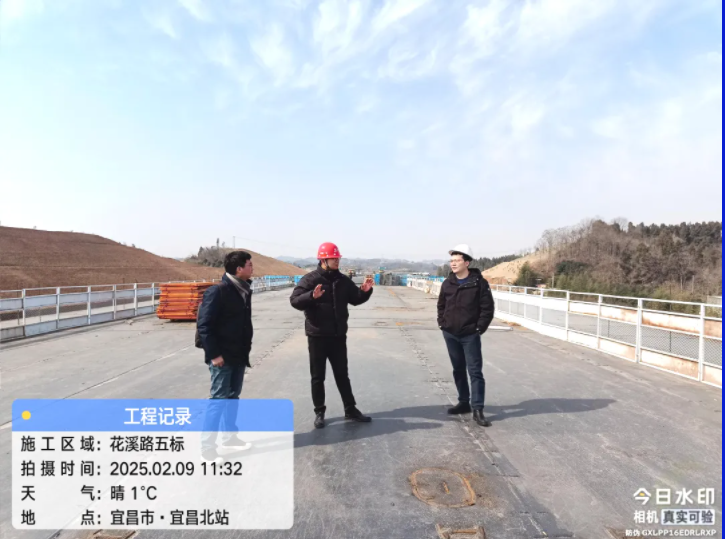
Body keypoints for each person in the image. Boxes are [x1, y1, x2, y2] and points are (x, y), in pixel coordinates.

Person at [290, 242, 375, 429]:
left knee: (342, 374)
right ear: (323, 260)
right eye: (333, 258)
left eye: (338, 258)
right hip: (317, 336)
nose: (337, 261)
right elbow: (294, 301)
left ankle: (350, 409)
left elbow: (355, 299)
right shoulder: (310, 280)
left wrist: (365, 292)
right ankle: (319, 412)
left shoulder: (342, 280)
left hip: (338, 336)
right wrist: (311, 296)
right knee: (318, 376)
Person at [196, 250, 255, 459]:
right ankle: (207, 449)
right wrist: (214, 355)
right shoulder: (218, 291)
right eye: (249, 265)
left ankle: (230, 438)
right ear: (239, 269)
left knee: (232, 398)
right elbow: (204, 326)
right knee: (218, 400)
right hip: (222, 357)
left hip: (238, 354)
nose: (252, 268)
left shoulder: (243, 289)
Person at [437, 244, 495, 427]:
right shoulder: (448, 283)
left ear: (467, 262)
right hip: (450, 333)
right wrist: (442, 323)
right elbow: (441, 305)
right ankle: (463, 402)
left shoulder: (479, 283)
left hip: (470, 335)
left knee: (475, 371)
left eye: (457, 260)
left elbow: (487, 309)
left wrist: (478, 329)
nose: (453, 264)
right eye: (451, 261)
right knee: (458, 369)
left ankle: (477, 409)